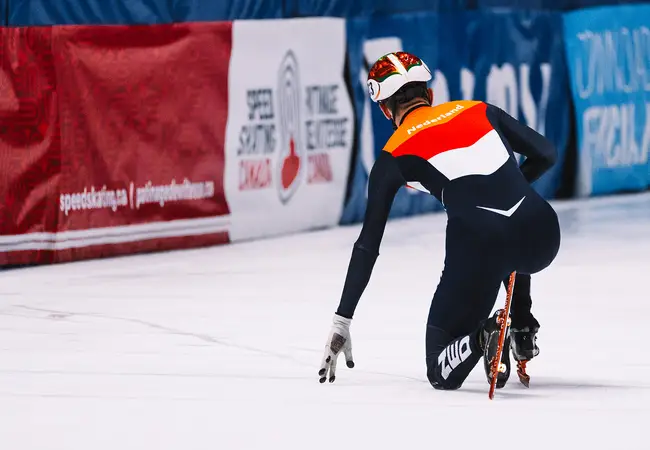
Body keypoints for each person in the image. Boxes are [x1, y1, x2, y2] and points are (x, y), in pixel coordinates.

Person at [318, 52, 560, 390]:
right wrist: (511, 187)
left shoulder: (392, 155)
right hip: (543, 232)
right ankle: (521, 323)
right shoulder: (478, 109)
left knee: (438, 369)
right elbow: (546, 153)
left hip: (484, 248)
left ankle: (483, 336)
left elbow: (367, 246)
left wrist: (342, 321)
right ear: (429, 94)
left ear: (385, 110)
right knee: (506, 217)